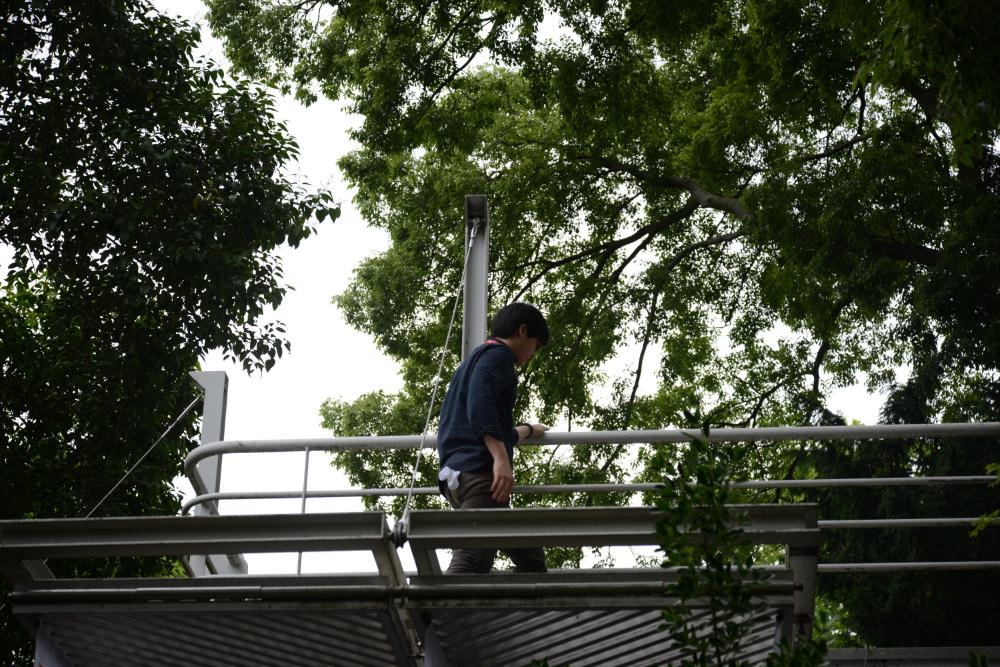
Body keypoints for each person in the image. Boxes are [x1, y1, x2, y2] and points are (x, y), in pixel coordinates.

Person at [436, 302, 551, 574]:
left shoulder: (474, 361)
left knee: (531, 557)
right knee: (472, 560)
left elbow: (484, 420)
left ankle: (519, 611)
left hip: (458, 474)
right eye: (535, 345)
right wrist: (500, 458)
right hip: (480, 475)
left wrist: (527, 430)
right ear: (523, 331)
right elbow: (481, 404)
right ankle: (432, 615)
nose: (533, 354)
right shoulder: (499, 355)